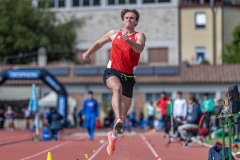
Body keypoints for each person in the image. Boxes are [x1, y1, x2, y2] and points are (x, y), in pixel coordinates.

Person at [82, 8, 146, 156]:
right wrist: (87, 53)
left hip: (129, 77)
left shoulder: (139, 35)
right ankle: (117, 119)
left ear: (136, 21)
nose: (129, 19)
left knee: (124, 115)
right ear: (123, 20)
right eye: (127, 17)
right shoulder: (113, 33)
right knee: (116, 88)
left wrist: (128, 41)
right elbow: (99, 43)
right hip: (112, 72)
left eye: (132, 18)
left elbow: (140, 49)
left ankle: (113, 136)